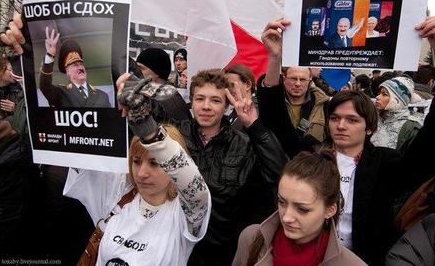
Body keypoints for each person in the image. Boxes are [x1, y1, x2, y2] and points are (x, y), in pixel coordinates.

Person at [257, 16, 435, 265]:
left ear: (370, 128)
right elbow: (276, 122)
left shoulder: (385, 164)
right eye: (336, 118)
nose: (341, 125)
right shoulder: (312, 154)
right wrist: (275, 58)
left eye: (352, 120)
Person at [119, 68, 287, 266]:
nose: (206, 106)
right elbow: (142, 134)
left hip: (219, 254)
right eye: (200, 99)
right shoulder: (173, 137)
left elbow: (280, 173)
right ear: (191, 102)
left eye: (215, 100)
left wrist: (254, 125)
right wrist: (128, 88)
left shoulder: (244, 145)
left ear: (226, 105)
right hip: (170, 247)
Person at [64, 80, 211, 266]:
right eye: (136, 161)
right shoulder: (116, 194)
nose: (141, 173)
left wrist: (149, 132)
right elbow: (77, 152)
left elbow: (195, 188)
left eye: (155, 163)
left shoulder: (184, 214)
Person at [232, 151, 366, 266]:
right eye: (282, 202)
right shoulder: (251, 239)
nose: (286, 217)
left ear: (330, 210)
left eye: (302, 209)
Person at [39, 28, 111, 108]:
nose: (80, 67)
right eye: (75, 65)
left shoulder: (103, 96)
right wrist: (50, 55)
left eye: (81, 64)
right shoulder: (61, 93)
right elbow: (44, 86)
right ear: (67, 71)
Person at [372, 76, 422, 151]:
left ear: (397, 100)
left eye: (384, 94)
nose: (377, 97)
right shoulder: (374, 117)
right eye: (379, 93)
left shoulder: (411, 127)